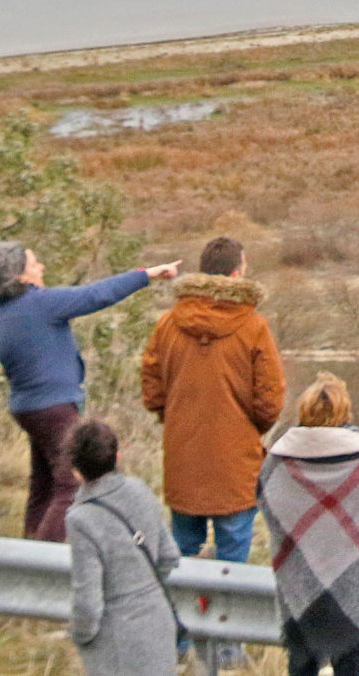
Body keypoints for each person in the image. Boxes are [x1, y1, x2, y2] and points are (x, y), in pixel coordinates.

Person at [0, 239, 178, 541]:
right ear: (19, 276)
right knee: (70, 485)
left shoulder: (0, 312)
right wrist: (146, 274)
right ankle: (46, 561)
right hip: (54, 409)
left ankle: (28, 553)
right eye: (34, 263)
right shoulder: (38, 303)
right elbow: (95, 295)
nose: (41, 266)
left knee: (43, 485)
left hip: (30, 407)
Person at [141, 235, 285, 584]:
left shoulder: (168, 323)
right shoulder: (254, 327)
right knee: (233, 569)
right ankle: (227, 638)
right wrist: (247, 428)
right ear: (237, 274)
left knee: (180, 565)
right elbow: (270, 401)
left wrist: (175, 417)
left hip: (182, 458)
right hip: (236, 464)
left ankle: (181, 637)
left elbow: (152, 390)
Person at [259, 373, 359, 676]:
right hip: (353, 575)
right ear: (344, 412)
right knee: (351, 661)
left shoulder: (280, 461)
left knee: (301, 663)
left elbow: (267, 502)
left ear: (305, 411)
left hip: (298, 575)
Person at [66, 419, 183, 676]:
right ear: (117, 456)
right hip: (159, 624)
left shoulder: (80, 520)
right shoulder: (140, 491)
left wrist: (80, 635)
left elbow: (88, 602)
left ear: (75, 470)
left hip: (117, 642)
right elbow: (169, 555)